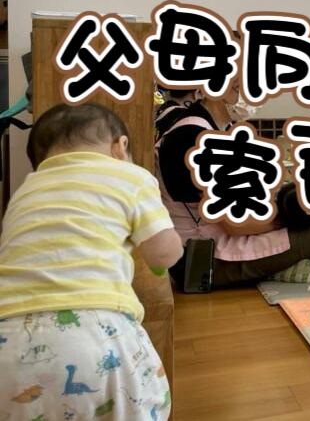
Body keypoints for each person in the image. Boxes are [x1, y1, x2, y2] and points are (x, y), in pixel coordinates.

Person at [0, 103, 182, 420]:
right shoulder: (129, 175)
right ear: (120, 147)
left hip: (8, 337)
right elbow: (163, 254)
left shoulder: (24, 191)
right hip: (95, 331)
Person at [156, 82, 310, 289]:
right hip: (204, 260)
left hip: (223, 239)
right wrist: (296, 217)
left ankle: (306, 255)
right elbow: (238, 225)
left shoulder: (215, 129)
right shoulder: (191, 136)